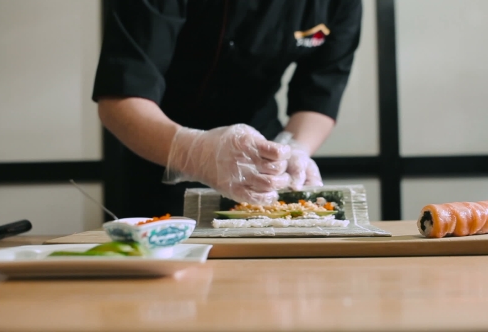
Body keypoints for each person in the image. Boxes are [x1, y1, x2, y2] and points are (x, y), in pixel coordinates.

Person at [92, 0, 363, 218]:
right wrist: (194, 153)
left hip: (261, 149)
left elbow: (319, 95)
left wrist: (294, 148)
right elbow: (120, 95)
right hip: (160, 150)